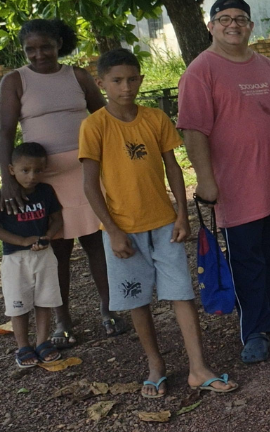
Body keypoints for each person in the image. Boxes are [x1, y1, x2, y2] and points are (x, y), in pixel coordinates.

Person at [80, 49, 236, 397]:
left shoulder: (155, 118)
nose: (126, 87)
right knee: (138, 300)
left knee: (181, 294)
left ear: (141, 80)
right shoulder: (95, 126)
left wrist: (181, 214)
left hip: (165, 224)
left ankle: (198, 367)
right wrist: (114, 230)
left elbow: (173, 168)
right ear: (101, 83)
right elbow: (90, 185)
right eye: (117, 81)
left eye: (132, 79)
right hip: (122, 230)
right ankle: (156, 365)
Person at [178, 0, 270, 364]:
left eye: (240, 18)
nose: (233, 24)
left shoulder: (264, 64)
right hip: (235, 186)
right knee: (245, 258)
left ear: (251, 25)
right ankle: (252, 330)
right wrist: (205, 180)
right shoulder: (200, 71)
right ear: (211, 26)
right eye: (224, 19)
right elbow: (193, 130)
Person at [0, 19, 114, 347]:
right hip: (43, 182)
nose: (38, 54)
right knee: (56, 252)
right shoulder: (15, 81)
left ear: (59, 44)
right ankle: (63, 322)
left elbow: (102, 115)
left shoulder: (77, 76)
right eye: (30, 49)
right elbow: (5, 132)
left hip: (87, 175)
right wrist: (9, 180)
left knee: (97, 245)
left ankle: (110, 310)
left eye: (45, 46)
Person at [0, 142, 64, 367]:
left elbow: (57, 218)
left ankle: (42, 342)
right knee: (18, 304)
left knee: (45, 300)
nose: (31, 176)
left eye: (38, 170)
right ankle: (23, 346)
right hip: (15, 258)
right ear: (11, 170)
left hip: (43, 255)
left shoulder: (46, 191)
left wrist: (47, 236)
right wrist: (22, 241)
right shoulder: (1, 196)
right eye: (25, 170)